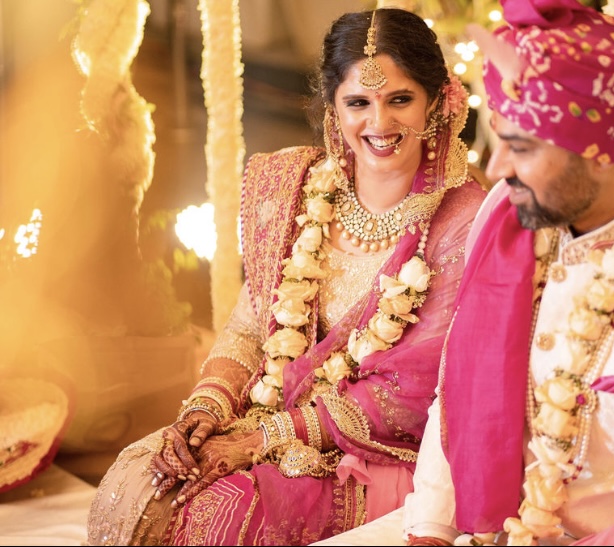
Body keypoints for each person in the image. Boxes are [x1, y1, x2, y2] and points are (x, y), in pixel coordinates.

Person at [312, 0, 614, 545]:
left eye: (520, 147)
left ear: (601, 151)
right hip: (482, 521)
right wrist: (430, 531)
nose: (497, 168)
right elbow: (455, 396)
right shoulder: (506, 217)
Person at [86, 7, 486, 545]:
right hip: (265, 417)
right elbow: (250, 328)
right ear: (333, 106)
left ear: (436, 101)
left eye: (400, 100)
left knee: (216, 517)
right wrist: (206, 408)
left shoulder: (463, 221)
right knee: (136, 482)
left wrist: (266, 437)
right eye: (358, 103)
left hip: (376, 454)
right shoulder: (294, 187)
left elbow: (413, 396)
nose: (380, 123)